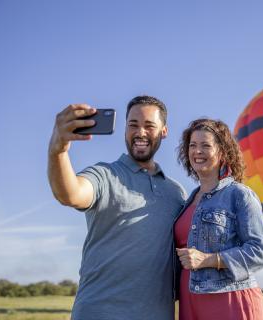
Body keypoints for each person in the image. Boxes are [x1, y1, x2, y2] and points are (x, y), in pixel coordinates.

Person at [47, 96, 186, 320]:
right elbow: (70, 194)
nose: (140, 132)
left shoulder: (177, 193)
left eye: (149, 125)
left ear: (164, 131)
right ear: (124, 129)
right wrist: (58, 151)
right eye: (133, 125)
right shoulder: (104, 175)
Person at [174, 118, 263, 320]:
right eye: (192, 145)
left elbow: (258, 253)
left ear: (222, 152)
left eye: (205, 145)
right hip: (190, 299)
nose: (197, 151)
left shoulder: (240, 195)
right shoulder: (187, 200)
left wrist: (208, 259)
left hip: (229, 300)